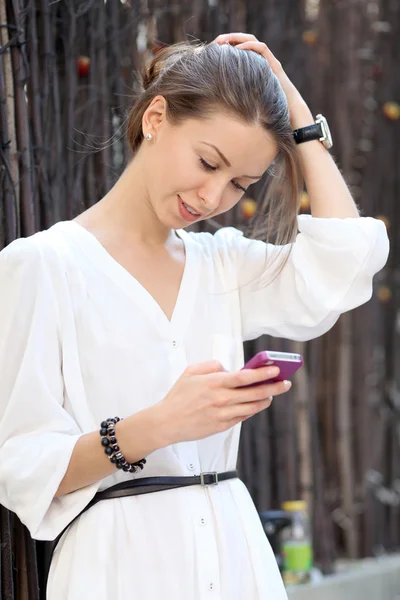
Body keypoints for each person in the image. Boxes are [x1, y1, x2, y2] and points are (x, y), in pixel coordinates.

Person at [0, 32, 389, 600]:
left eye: (240, 183)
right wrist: (157, 425)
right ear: (156, 116)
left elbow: (342, 267)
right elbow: (21, 464)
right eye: (208, 162)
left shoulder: (223, 263)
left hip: (236, 558)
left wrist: (302, 124)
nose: (211, 197)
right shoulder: (43, 266)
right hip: (118, 566)